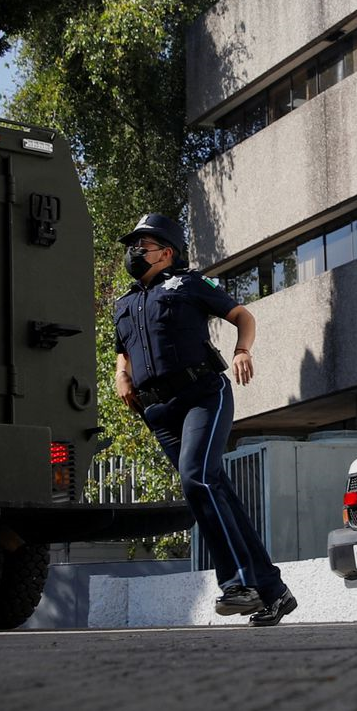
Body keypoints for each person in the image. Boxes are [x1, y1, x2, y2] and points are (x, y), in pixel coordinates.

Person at [112, 212, 297, 626]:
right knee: (213, 490)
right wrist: (121, 374)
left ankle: (238, 586)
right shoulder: (123, 303)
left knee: (196, 478)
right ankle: (273, 591)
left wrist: (242, 351)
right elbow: (122, 349)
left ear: (166, 251)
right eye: (132, 245)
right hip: (157, 410)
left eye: (143, 244)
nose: (134, 251)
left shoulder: (190, 283)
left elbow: (242, 316)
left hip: (201, 395)